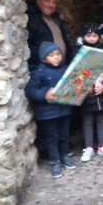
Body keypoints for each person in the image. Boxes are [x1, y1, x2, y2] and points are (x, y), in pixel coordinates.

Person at [24, 42, 76, 178]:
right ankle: (55, 161)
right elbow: (30, 90)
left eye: (58, 54)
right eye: (51, 55)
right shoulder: (39, 72)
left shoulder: (65, 69)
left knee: (64, 135)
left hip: (64, 109)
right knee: (52, 138)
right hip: (47, 113)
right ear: (44, 59)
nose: (56, 58)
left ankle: (64, 156)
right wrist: (44, 94)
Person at [77, 23, 103, 162]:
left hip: (102, 91)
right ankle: (88, 147)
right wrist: (84, 85)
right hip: (87, 93)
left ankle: (102, 145)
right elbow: (74, 72)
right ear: (84, 36)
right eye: (89, 35)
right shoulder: (78, 52)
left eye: (95, 35)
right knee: (87, 119)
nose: (92, 38)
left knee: (102, 118)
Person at [26, 0, 72, 71]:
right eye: (47, 1)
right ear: (38, 0)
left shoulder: (55, 18)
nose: (51, 5)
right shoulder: (31, 19)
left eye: (54, 2)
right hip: (45, 71)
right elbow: (31, 47)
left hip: (60, 68)